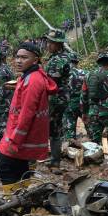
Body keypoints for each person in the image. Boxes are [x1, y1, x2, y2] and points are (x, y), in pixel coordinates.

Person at [0, 41, 56, 190]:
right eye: (17, 57)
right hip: (24, 134)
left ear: (35, 60)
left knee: (4, 167)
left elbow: (26, 114)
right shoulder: (29, 76)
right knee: (21, 170)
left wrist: (14, 141)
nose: (18, 61)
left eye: (24, 57)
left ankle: (14, 203)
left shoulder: (32, 80)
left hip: (21, 136)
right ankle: (24, 201)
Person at [43, 30, 71, 166]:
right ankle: (54, 160)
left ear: (58, 44)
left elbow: (51, 82)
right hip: (60, 98)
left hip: (55, 99)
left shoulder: (58, 59)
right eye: (48, 42)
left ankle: (54, 160)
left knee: (50, 128)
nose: (48, 45)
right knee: (55, 129)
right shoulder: (61, 57)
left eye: (51, 43)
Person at [82, 53, 108, 140]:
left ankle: (99, 153)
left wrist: (84, 112)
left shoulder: (88, 75)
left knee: (96, 141)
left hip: (93, 112)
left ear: (98, 63)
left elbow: (84, 95)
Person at [64, 54, 85, 140]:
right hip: (82, 102)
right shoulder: (84, 73)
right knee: (88, 125)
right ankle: (94, 146)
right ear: (77, 62)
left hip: (70, 103)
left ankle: (71, 147)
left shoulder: (65, 74)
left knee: (70, 127)